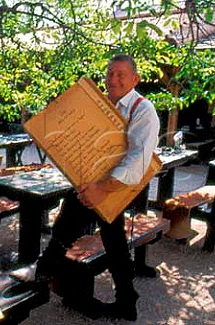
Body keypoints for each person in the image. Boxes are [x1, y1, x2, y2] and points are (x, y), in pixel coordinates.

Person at [34, 54, 160, 321]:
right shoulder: (100, 103)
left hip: (118, 188)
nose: (113, 79)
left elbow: (137, 162)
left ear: (135, 79)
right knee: (104, 234)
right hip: (93, 183)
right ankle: (126, 299)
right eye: (110, 73)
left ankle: (47, 268)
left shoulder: (143, 110)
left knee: (84, 221)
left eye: (120, 74)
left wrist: (102, 189)